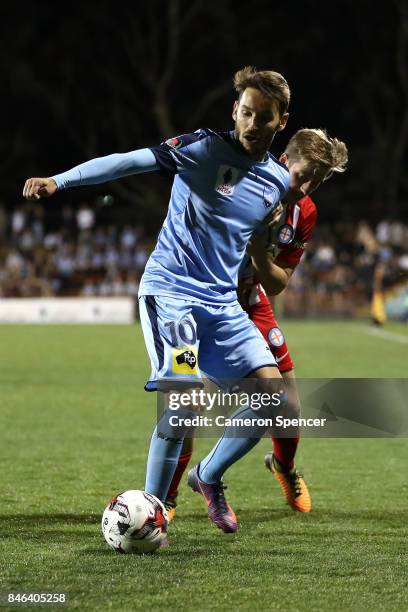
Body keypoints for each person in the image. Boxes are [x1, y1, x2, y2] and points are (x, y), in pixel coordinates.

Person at [24, 66, 297, 536]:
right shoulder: (201, 149)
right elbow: (129, 162)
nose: (252, 123)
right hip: (172, 295)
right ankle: (151, 512)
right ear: (235, 110)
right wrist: (60, 181)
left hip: (222, 305)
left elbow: (251, 241)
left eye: (264, 116)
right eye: (246, 112)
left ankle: (207, 476)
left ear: (281, 122)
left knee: (278, 405)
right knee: (184, 403)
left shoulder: (276, 182)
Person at [163, 129, 348, 521]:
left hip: (250, 303)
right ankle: (168, 496)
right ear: (283, 160)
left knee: (287, 404)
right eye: (304, 175)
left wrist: (260, 254)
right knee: (187, 404)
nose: (308, 186)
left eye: (319, 180)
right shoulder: (243, 182)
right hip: (203, 302)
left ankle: (281, 468)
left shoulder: (305, 211)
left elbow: (278, 281)